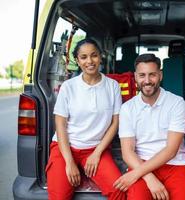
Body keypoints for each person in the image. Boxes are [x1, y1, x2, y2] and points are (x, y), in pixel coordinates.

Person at [45, 38, 126, 200]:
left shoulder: (112, 86)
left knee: (119, 192)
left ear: (100, 57)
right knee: (59, 197)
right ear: (77, 61)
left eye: (94, 55)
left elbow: (115, 123)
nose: (90, 61)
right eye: (84, 57)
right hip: (65, 149)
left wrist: (97, 154)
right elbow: (60, 125)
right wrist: (69, 162)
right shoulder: (69, 87)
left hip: (96, 149)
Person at [113, 53, 185, 200]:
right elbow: (127, 152)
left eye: (152, 75)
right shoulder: (127, 108)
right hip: (139, 162)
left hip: (175, 164)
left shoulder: (177, 103)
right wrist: (149, 178)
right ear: (135, 77)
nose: (147, 81)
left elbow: (171, 151)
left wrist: (136, 174)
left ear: (160, 75)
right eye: (142, 75)